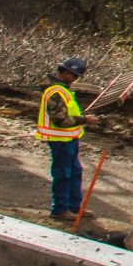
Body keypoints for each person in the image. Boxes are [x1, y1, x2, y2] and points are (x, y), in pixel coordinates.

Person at [36, 57, 88, 220]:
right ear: (66, 73)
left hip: (70, 139)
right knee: (63, 173)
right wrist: (84, 119)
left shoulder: (64, 90)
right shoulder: (56, 92)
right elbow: (60, 120)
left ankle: (74, 207)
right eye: (74, 76)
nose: (75, 80)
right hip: (59, 140)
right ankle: (60, 209)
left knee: (75, 172)